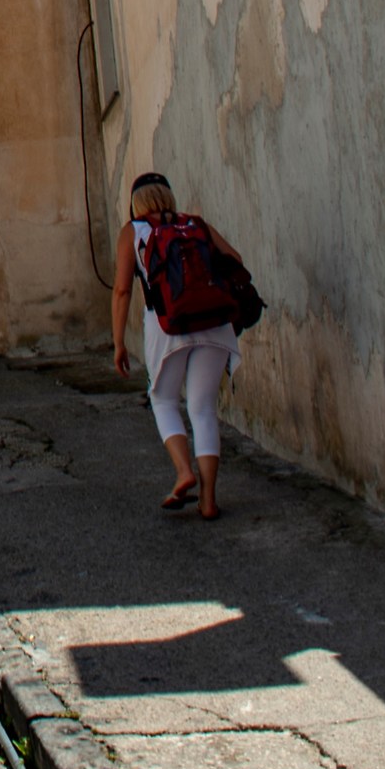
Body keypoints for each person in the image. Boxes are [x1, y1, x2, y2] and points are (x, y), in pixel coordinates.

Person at [112, 172, 244, 520]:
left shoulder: (134, 231)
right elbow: (235, 259)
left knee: (164, 398)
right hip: (214, 323)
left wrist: (118, 343)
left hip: (167, 325)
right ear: (168, 197)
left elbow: (123, 289)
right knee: (202, 408)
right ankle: (209, 501)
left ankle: (184, 471)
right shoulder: (196, 225)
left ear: (137, 202)